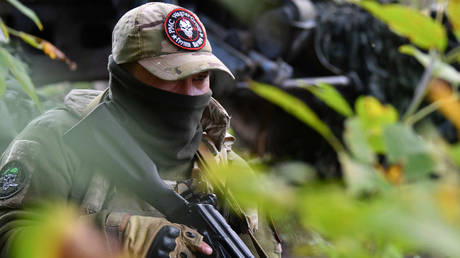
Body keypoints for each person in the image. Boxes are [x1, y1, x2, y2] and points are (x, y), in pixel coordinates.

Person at [0, 2, 282, 258]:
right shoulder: (56, 141)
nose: (189, 93)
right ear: (124, 76)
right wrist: (115, 238)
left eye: (200, 77)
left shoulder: (223, 162)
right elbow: (8, 235)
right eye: (171, 76)